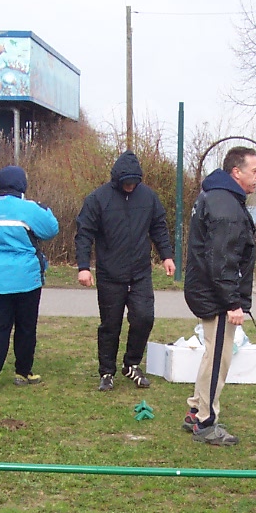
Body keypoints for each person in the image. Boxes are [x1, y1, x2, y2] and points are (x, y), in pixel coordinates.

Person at [75, 150, 175, 392]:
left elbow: (159, 227)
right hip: (110, 273)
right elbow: (84, 233)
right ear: (117, 179)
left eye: (134, 182)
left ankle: (131, 364)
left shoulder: (148, 197)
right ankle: (106, 371)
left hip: (140, 272)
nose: (130, 186)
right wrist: (84, 267)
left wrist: (166, 255)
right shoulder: (98, 199)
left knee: (144, 318)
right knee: (110, 325)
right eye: (126, 182)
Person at [182, 146, 256, 446]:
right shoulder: (225, 207)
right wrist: (233, 303)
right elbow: (221, 260)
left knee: (212, 354)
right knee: (218, 359)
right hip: (214, 294)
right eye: (255, 170)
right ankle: (205, 422)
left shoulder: (218, 197)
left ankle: (195, 410)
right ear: (236, 172)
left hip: (208, 289)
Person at [0, 165, 60, 393]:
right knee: (26, 327)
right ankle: (23, 372)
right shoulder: (28, 208)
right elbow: (51, 229)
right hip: (26, 278)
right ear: (22, 184)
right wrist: (44, 208)